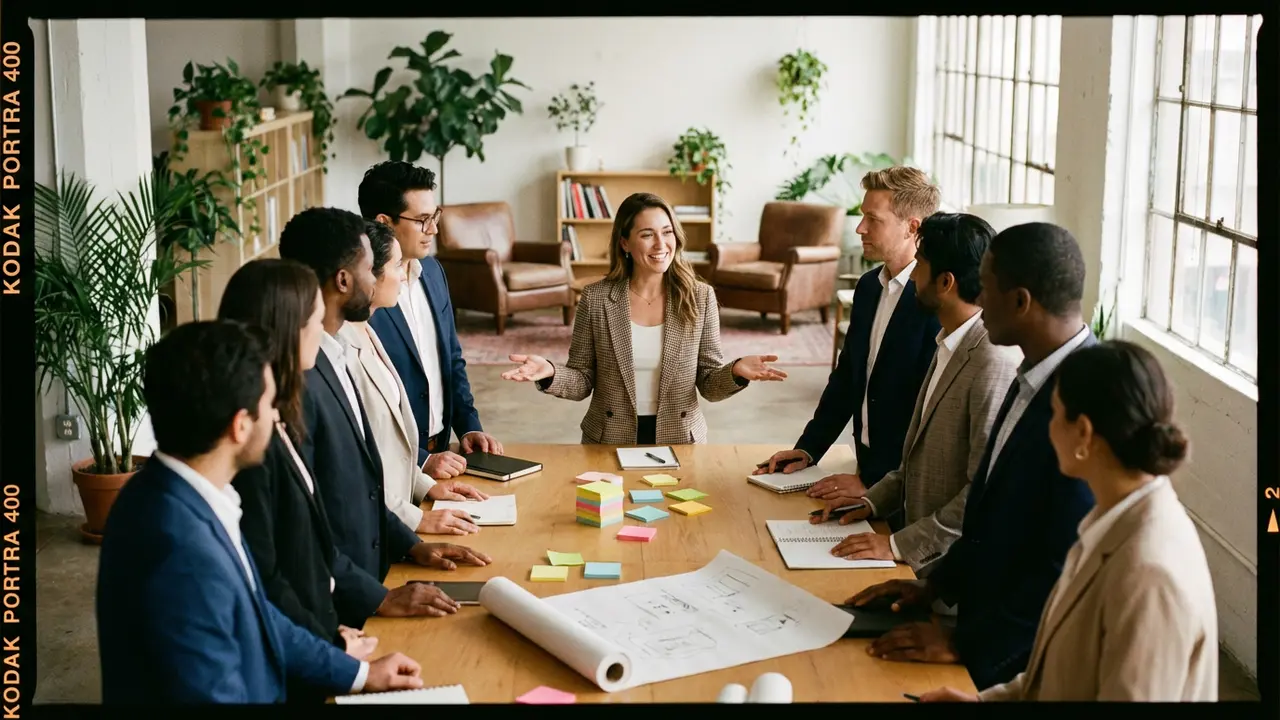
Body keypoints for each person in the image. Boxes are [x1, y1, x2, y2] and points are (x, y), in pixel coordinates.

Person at [96, 320, 425, 703]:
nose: (278, 416)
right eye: (270, 405)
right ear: (239, 426)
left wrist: (358, 674)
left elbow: (259, 619)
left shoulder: (176, 491)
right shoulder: (180, 551)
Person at [846, 222, 1097, 691]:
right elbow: (989, 503)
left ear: (1020, 301)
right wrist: (935, 585)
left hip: (1015, 661)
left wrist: (969, 644)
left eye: (985, 284)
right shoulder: (1029, 371)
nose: (975, 296)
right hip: (971, 615)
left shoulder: (1084, 396)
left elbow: (1056, 561)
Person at [218, 260, 471, 702]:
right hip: (304, 655)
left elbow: (313, 536)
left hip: (327, 630)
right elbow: (267, 579)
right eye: (315, 322)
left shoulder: (289, 403)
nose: (325, 332)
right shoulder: (254, 448)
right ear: (282, 332)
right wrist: (334, 649)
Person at [920, 341, 1218, 701]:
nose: (1048, 429)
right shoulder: (1108, 518)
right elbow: (1055, 675)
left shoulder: (1149, 574)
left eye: (1055, 414)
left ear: (1084, 434)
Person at [277, 207, 493, 599]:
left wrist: (410, 543)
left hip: (380, 557)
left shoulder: (342, 347)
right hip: (344, 591)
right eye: (371, 266)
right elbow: (316, 515)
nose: (386, 275)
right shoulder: (304, 375)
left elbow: (365, 475)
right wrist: (379, 595)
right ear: (345, 280)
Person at [810, 213, 1022, 577]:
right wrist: (872, 501)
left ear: (945, 282)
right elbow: (917, 462)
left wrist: (896, 545)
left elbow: (982, 492)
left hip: (947, 576)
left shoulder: (992, 360)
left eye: (920, 264)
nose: (912, 274)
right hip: (914, 551)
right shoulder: (948, 342)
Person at [499, 192, 786, 445]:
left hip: (681, 439)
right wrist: (550, 371)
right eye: (647, 234)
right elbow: (583, 379)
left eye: (667, 232)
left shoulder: (700, 298)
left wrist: (736, 371)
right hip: (608, 438)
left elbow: (709, 382)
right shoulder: (596, 299)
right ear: (625, 243)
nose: (661, 244)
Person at [755, 167, 942, 491]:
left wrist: (875, 485)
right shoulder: (870, 287)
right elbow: (848, 376)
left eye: (873, 219)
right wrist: (809, 448)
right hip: (865, 469)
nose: (860, 228)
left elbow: (930, 417)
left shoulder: (936, 300)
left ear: (912, 227)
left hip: (906, 487)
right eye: (861, 216)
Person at [340, 221, 489, 536]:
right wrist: (417, 517)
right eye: (395, 266)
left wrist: (424, 485)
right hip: (375, 524)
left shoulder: (366, 329)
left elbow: (451, 357)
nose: (403, 275)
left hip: (409, 491)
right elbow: (357, 456)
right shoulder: (340, 347)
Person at [360, 161, 503, 479]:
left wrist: (468, 428)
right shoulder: (362, 295)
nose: (434, 230)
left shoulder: (434, 272)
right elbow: (362, 403)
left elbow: (452, 359)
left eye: (435, 217)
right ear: (384, 222)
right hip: (392, 462)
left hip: (445, 452)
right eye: (423, 220)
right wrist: (421, 459)